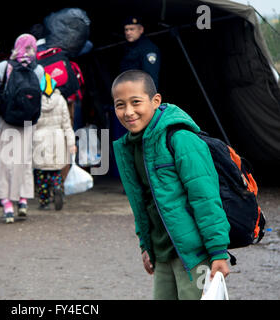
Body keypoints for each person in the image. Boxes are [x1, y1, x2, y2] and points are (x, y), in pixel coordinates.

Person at [112, 70, 230, 300]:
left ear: (156, 101)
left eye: (136, 102)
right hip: (163, 252)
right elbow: (142, 202)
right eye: (120, 105)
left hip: (195, 254)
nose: (128, 112)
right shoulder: (131, 147)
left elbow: (205, 197)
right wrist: (146, 245)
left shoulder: (180, 139)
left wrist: (218, 251)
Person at [0, 33, 45, 223]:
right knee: (24, 161)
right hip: (28, 122)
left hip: (5, 121)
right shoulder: (39, 70)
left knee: (3, 162)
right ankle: (22, 200)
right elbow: (45, 92)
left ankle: (6, 204)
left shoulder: (4, 67)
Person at [32, 74, 76, 210]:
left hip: (39, 139)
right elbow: (67, 124)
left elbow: (31, 123)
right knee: (56, 170)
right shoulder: (61, 100)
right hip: (58, 137)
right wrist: (71, 144)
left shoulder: (36, 101)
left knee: (41, 173)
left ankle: (44, 200)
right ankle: (57, 187)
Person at [119, 16, 160, 88]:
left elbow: (151, 77)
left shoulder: (148, 48)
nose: (128, 32)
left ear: (141, 30)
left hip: (140, 92)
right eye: (126, 30)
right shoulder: (128, 48)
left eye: (132, 29)